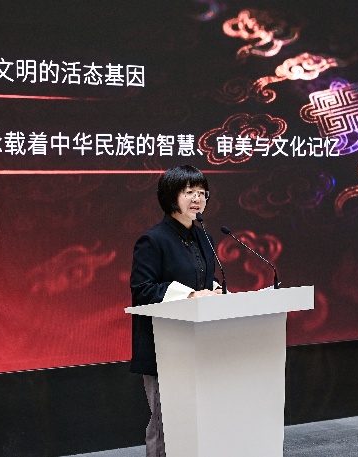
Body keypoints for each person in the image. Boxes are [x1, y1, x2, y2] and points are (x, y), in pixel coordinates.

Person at [130, 165, 222, 457]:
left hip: (199, 341)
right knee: (166, 423)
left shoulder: (204, 237)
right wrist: (192, 295)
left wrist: (215, 291)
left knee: (197, 419)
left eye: (202, 193)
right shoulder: (153, 240)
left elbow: (202, 280)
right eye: (189, 192)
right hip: (164, 347)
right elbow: (143, 290)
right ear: (171, 196)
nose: (197, 199)